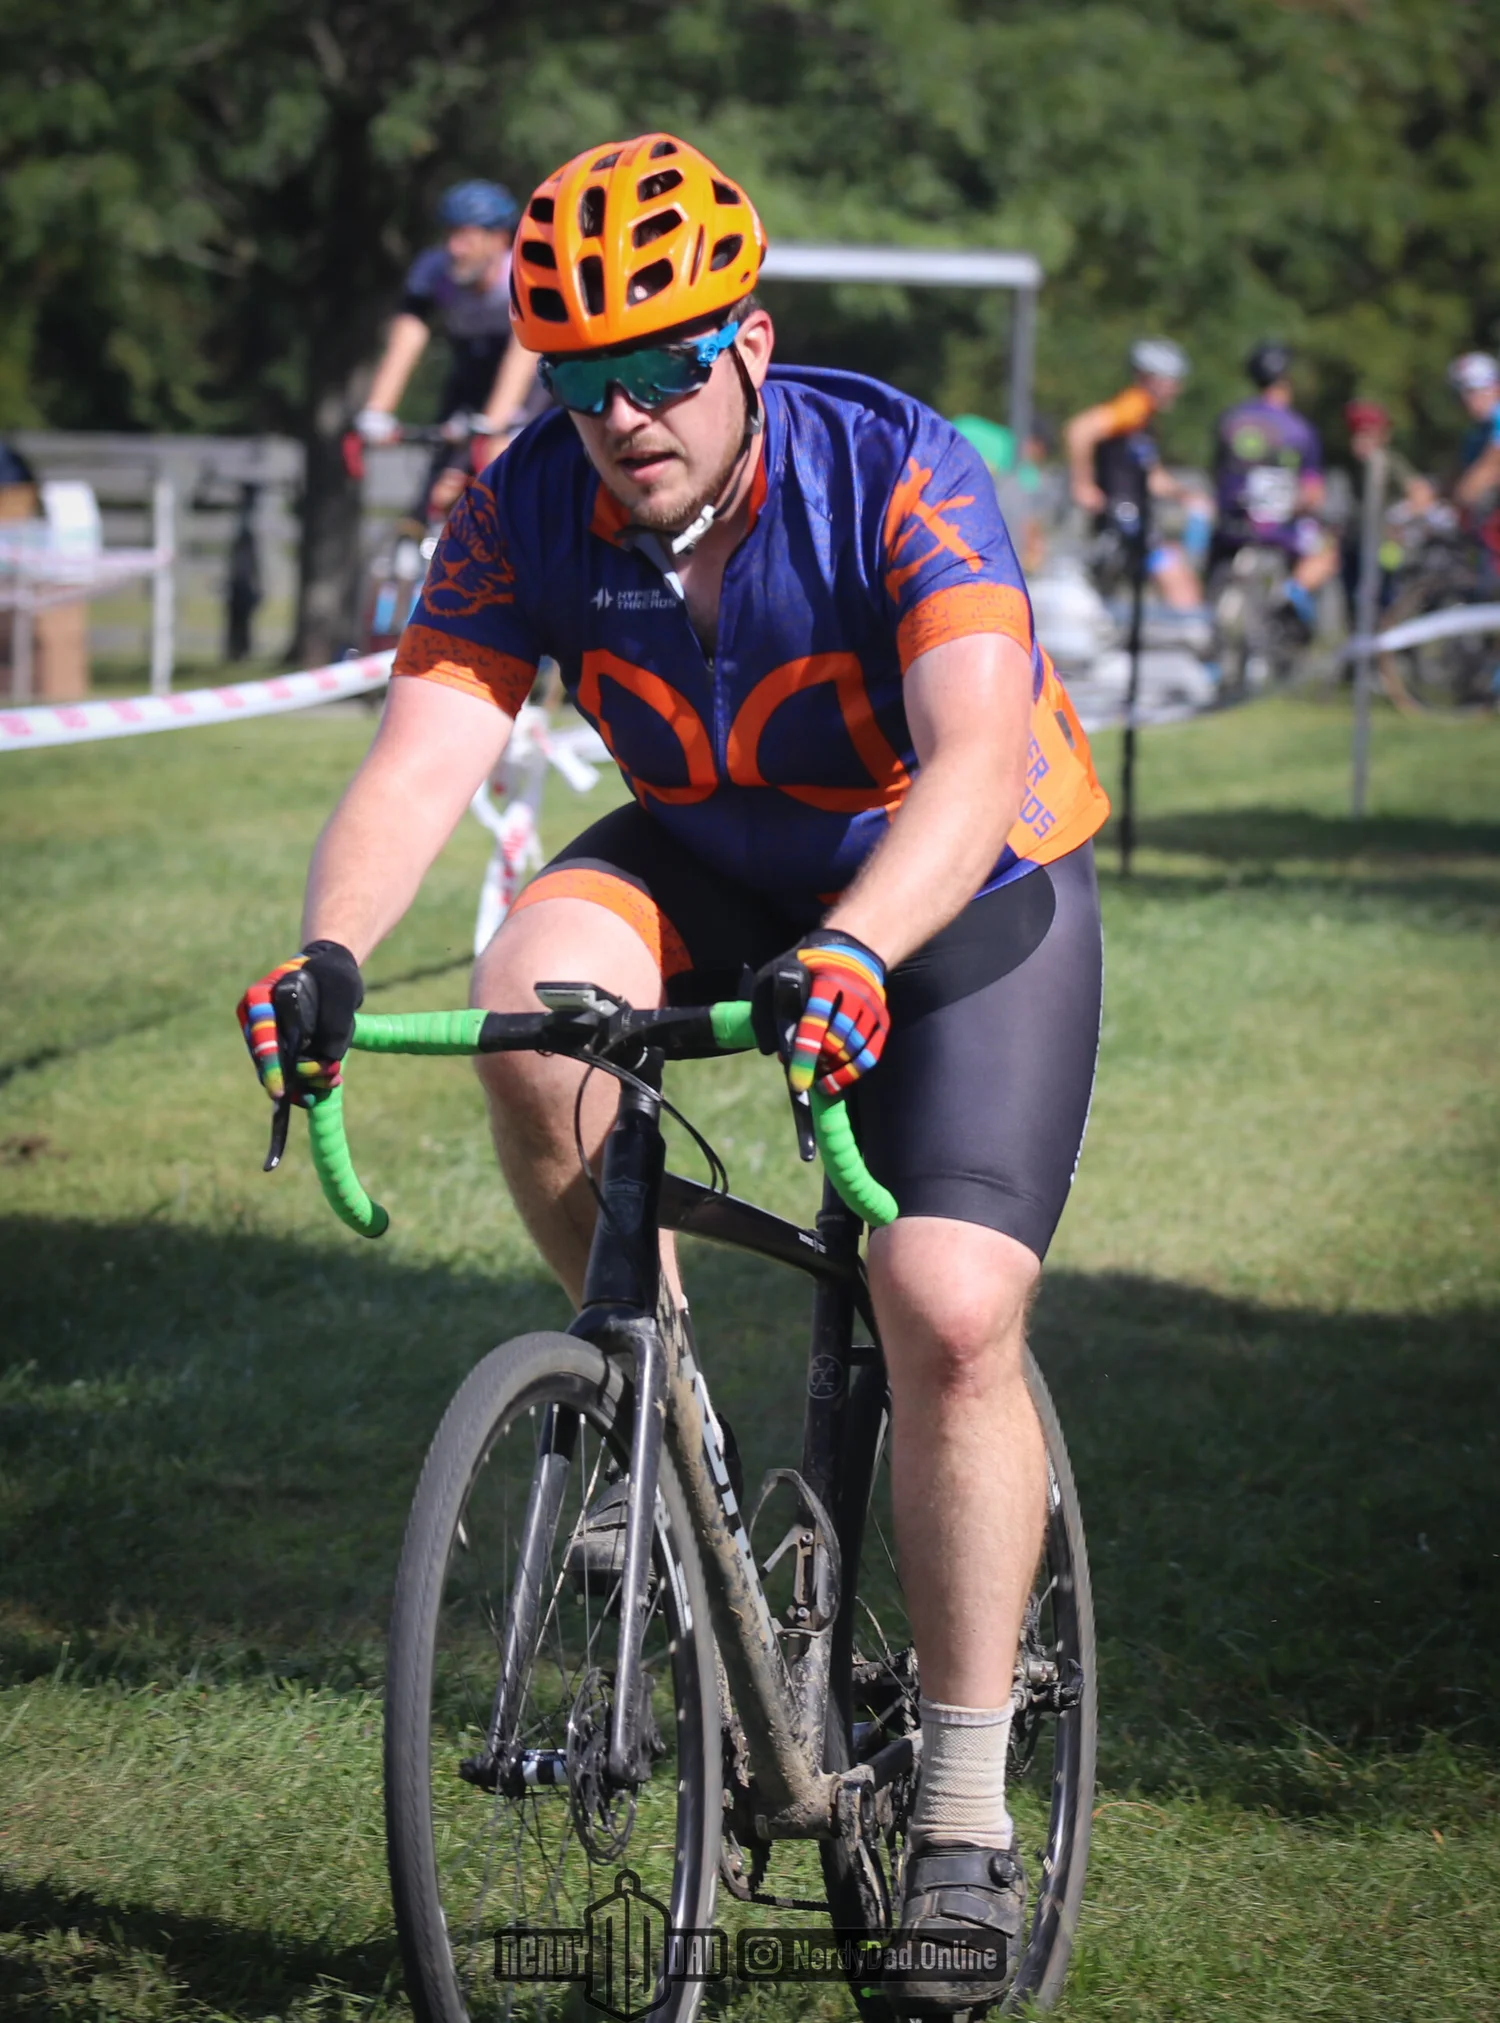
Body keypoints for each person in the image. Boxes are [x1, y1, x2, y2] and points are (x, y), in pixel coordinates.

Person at [237, 132, 1110, 2008]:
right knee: (532, 996)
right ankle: (659, 1411)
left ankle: (964, 1809)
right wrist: (328, 955)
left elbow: (974, 755)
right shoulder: (523, 502)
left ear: (750, 345)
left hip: (959, 882)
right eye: (581, 374)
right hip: (711, 856)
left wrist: (860, 949)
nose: (624, 412)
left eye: (664, 362)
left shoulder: (896, 463)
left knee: (949, 1302)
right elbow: (422, 752)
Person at [356, 180, 545, 520]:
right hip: (470, 369)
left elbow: (523, 353)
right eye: (449, 235)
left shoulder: (520, 273)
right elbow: (407, 336)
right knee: (438, 488)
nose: (454, 248)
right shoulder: (433, 270)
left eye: (466, 237)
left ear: (499, 239)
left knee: (496, 458)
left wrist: (493, 424)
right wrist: (377, 410)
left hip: (527, 375)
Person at [1063, 338, 1208, 610]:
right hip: (1120, 518)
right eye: (1172, 381)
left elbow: (1153, 478)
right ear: (1150, 378)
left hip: (1135, 520)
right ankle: (1189, 629)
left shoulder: (1144, 419)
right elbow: (1080, 430)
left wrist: (1185, 495)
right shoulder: (1133, 406)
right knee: (1177, 582)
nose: (1177, 389)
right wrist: (1082, 484)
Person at [1209, 341, 1338, 638]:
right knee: (1328, 553)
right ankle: (1290, 596)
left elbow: (1218, 475)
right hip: (1280, 533)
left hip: (1230, 529)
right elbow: (1312, 493)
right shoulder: (1301, 429)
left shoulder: (1229, 419)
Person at [1448, 352, 1500, 573]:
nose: (1468, 400)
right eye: (1463, 392)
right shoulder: (1475, 433)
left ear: (1495, 387)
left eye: (1474, 390)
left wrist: (1453, 505)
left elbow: (1488, 469)